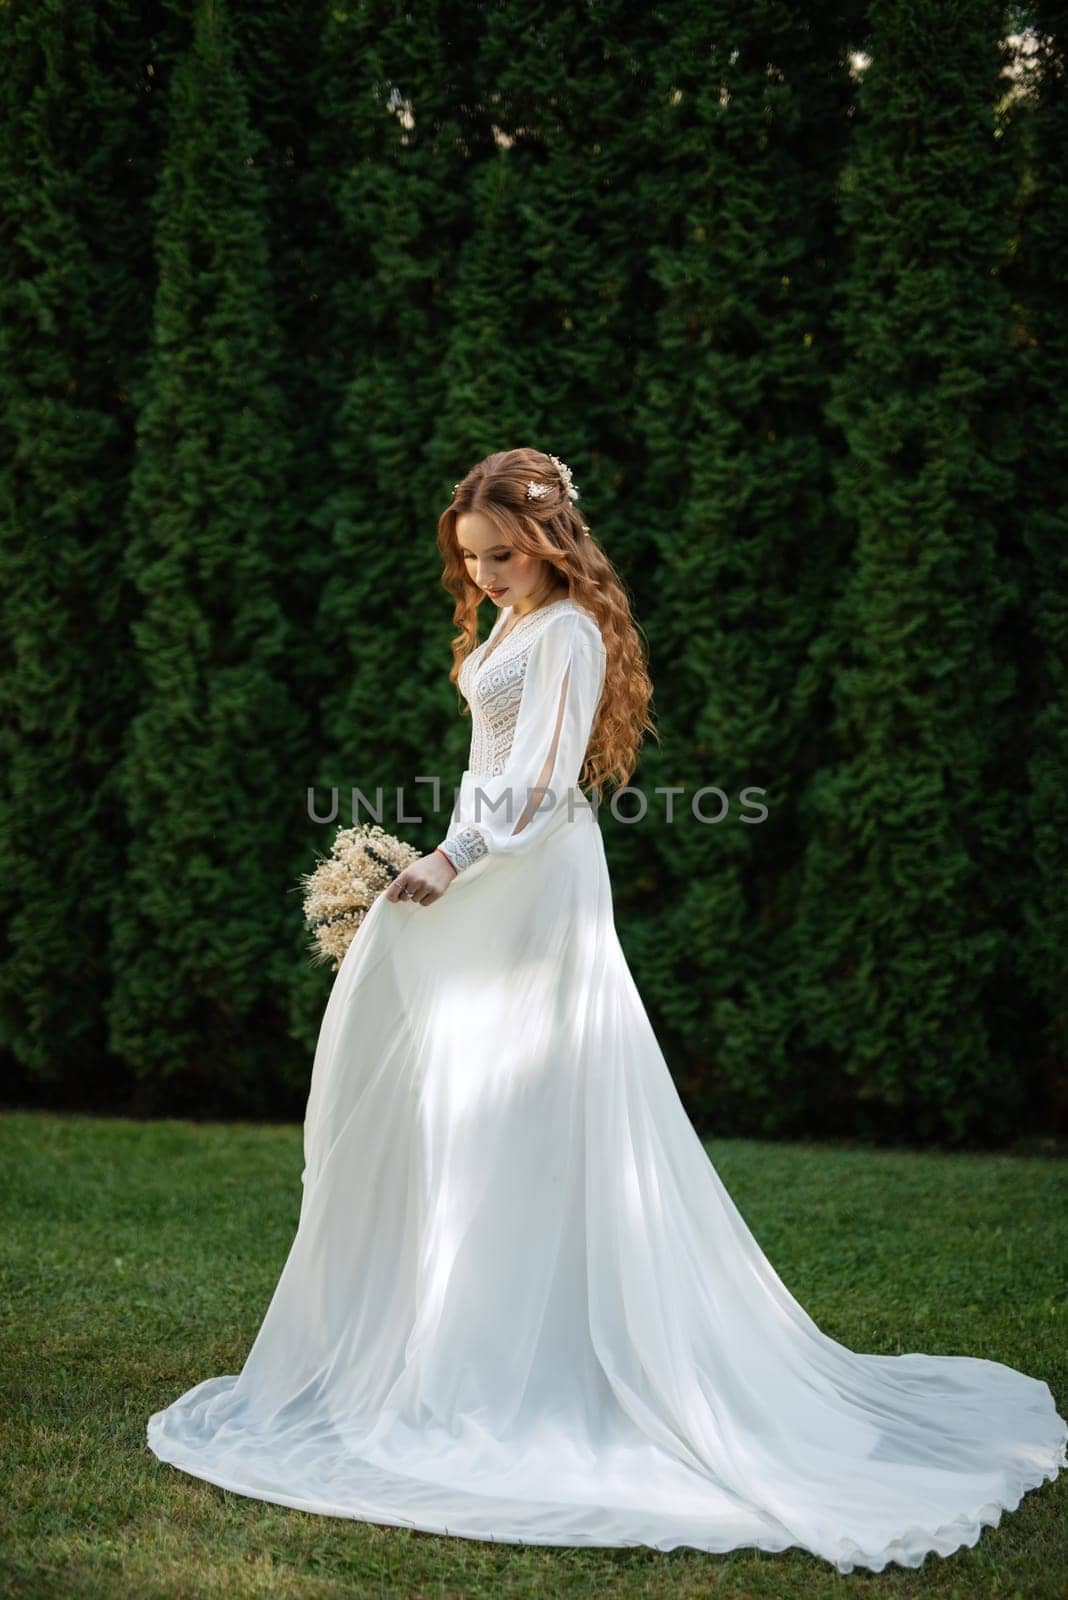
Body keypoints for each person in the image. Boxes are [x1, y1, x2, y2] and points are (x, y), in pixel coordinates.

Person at [147, 447, 1066, 1575]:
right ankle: (464, 1337)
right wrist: (450, 858)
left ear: (550, 538)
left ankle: (536, 1362)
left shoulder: (571, 631)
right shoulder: (512, 624)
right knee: (465, 1104)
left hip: (526, 873)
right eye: (471, 558)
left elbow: (536, 781)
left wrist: (454, 854)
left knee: (524, 1101)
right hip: (492, 873)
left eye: (502, 552)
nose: (484, 573)